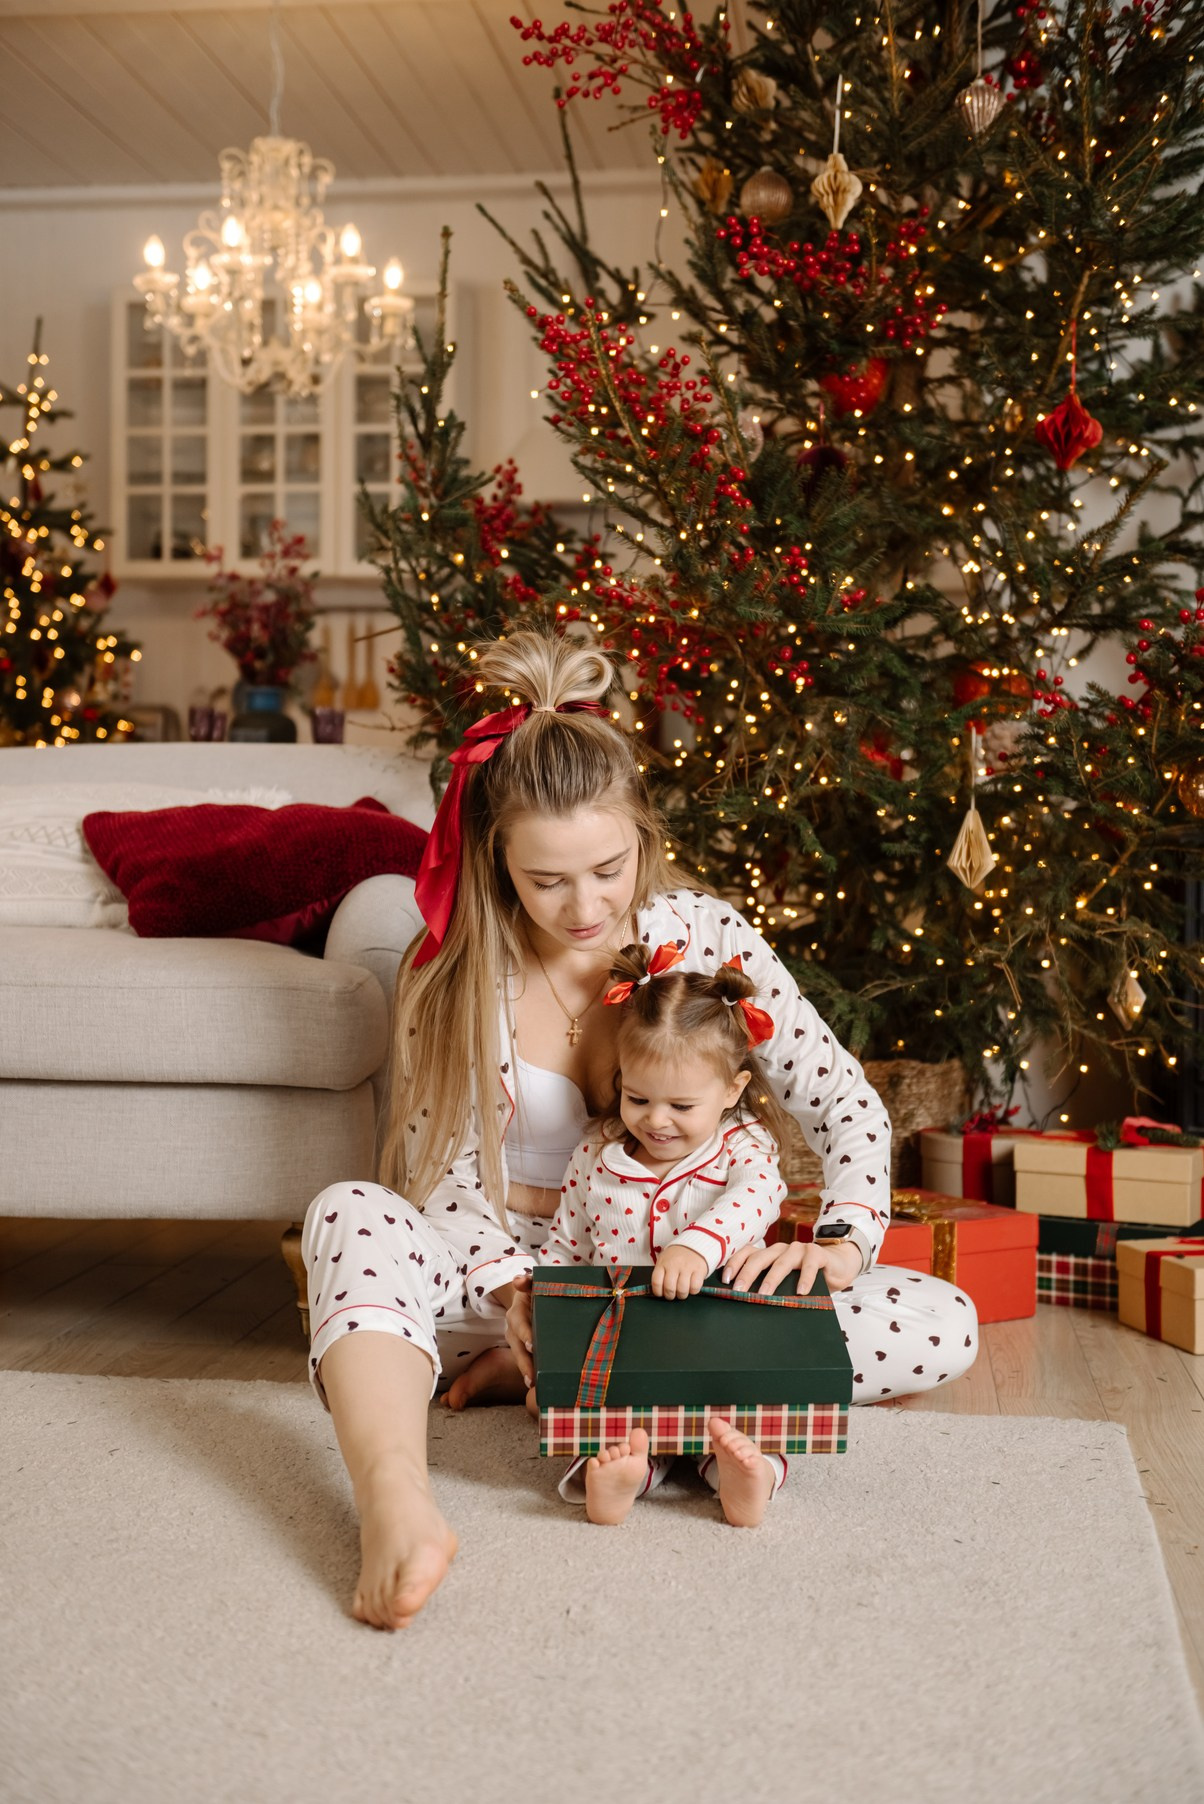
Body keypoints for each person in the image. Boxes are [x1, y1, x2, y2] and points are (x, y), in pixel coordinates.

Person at [301, 629, 979, 1630]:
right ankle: (399, 1503)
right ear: (498, 863)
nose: (584, 907)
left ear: (641, 835)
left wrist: (842, 1240)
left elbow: (841, 1100)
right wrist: (519, 1292)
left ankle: (576, 1391)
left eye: (608, 868)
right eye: (546, 881)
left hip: (683, 1283)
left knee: (942, 1321)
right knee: (347, 1212)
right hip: (509, 1287)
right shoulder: (447, 970)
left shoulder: (705, 935)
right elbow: (440, 1176)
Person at [532, 940, 791, 1527]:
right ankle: (624, 1475)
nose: (656, 1120)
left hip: (721, 1336)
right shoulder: (596, 1155)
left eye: (681, 1105)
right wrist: (547, 1310)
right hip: (623, 1340)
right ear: (620, 1080)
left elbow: (759, 1196)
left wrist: (696, 1244)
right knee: (612, 1430)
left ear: (731, 1092)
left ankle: (739, 1477)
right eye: (638, 1098)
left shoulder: (744, 1144)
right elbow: (566, 1244)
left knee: (734, 1427)